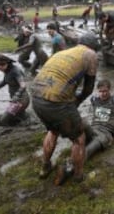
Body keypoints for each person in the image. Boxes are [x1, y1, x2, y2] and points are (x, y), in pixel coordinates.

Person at [30, 33, 99, 184]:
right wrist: (76, 102)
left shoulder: (63, 52)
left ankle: (45, 167)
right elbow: (88, 89)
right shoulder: (91, 54)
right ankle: (78, 176)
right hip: (56, 102)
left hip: (36, 96)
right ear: (93, 46)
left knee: (53, 131)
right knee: (79, 138)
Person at [54, 79, 114, 185]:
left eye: (105, 91)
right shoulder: (93, 99)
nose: (103, 94)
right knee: (82, 123)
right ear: (97, 91)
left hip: (106, 134)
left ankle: (69, 168)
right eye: (101, 91)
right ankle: (69, 144)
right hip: (93, 129)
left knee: (89, 149)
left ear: (110, 90)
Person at [0, 54, 30, 126]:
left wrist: (17, 95)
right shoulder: (7, 71)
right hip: (16, 100)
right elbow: (3, 83)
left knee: (4, 120)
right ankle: (28, 123)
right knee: (21, 117)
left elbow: (23, 85)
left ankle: (12, 133)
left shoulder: (15, 71)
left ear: (8, 62)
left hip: (21, 100)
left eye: (2, 65)